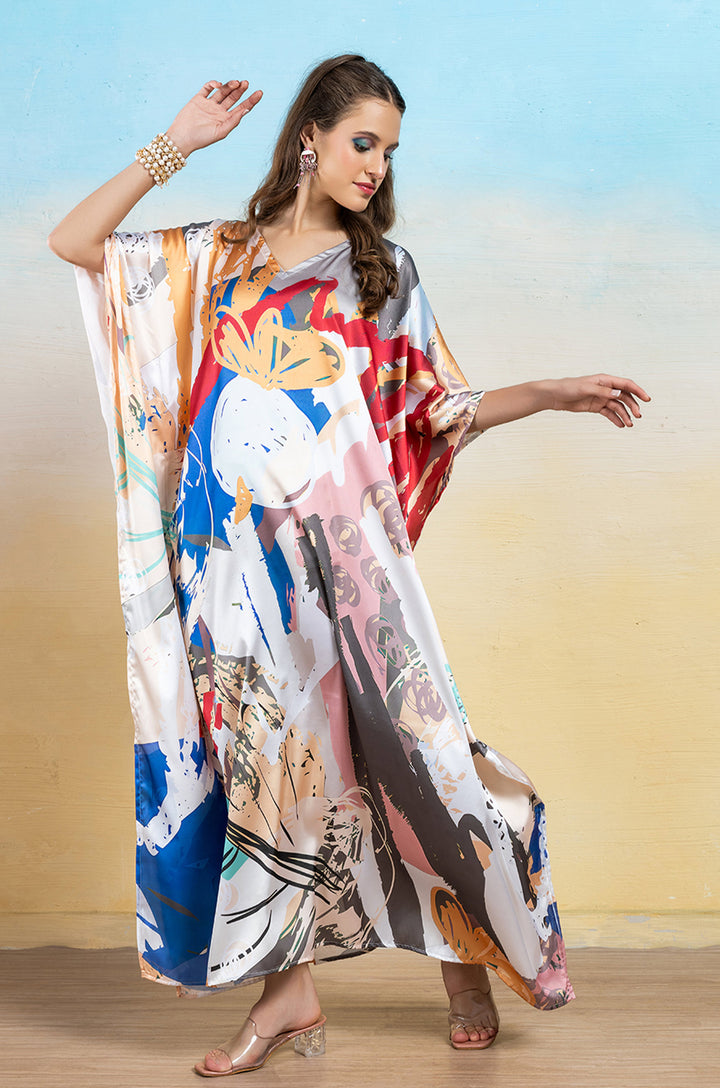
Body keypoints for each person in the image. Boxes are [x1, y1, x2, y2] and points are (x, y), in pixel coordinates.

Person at [49, 54, 649, 1077]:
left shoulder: (383, 274)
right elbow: (76, 242)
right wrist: (174, 146)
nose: (376, 166)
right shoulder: (221, 256)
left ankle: (464, 942)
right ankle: (289, 1001)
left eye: (389, 151)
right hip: (227, 570)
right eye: (362, 142)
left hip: (343, 566)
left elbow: (438, 409)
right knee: (264, 777)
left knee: (411, 756)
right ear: (309, 140)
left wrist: (551, 392)